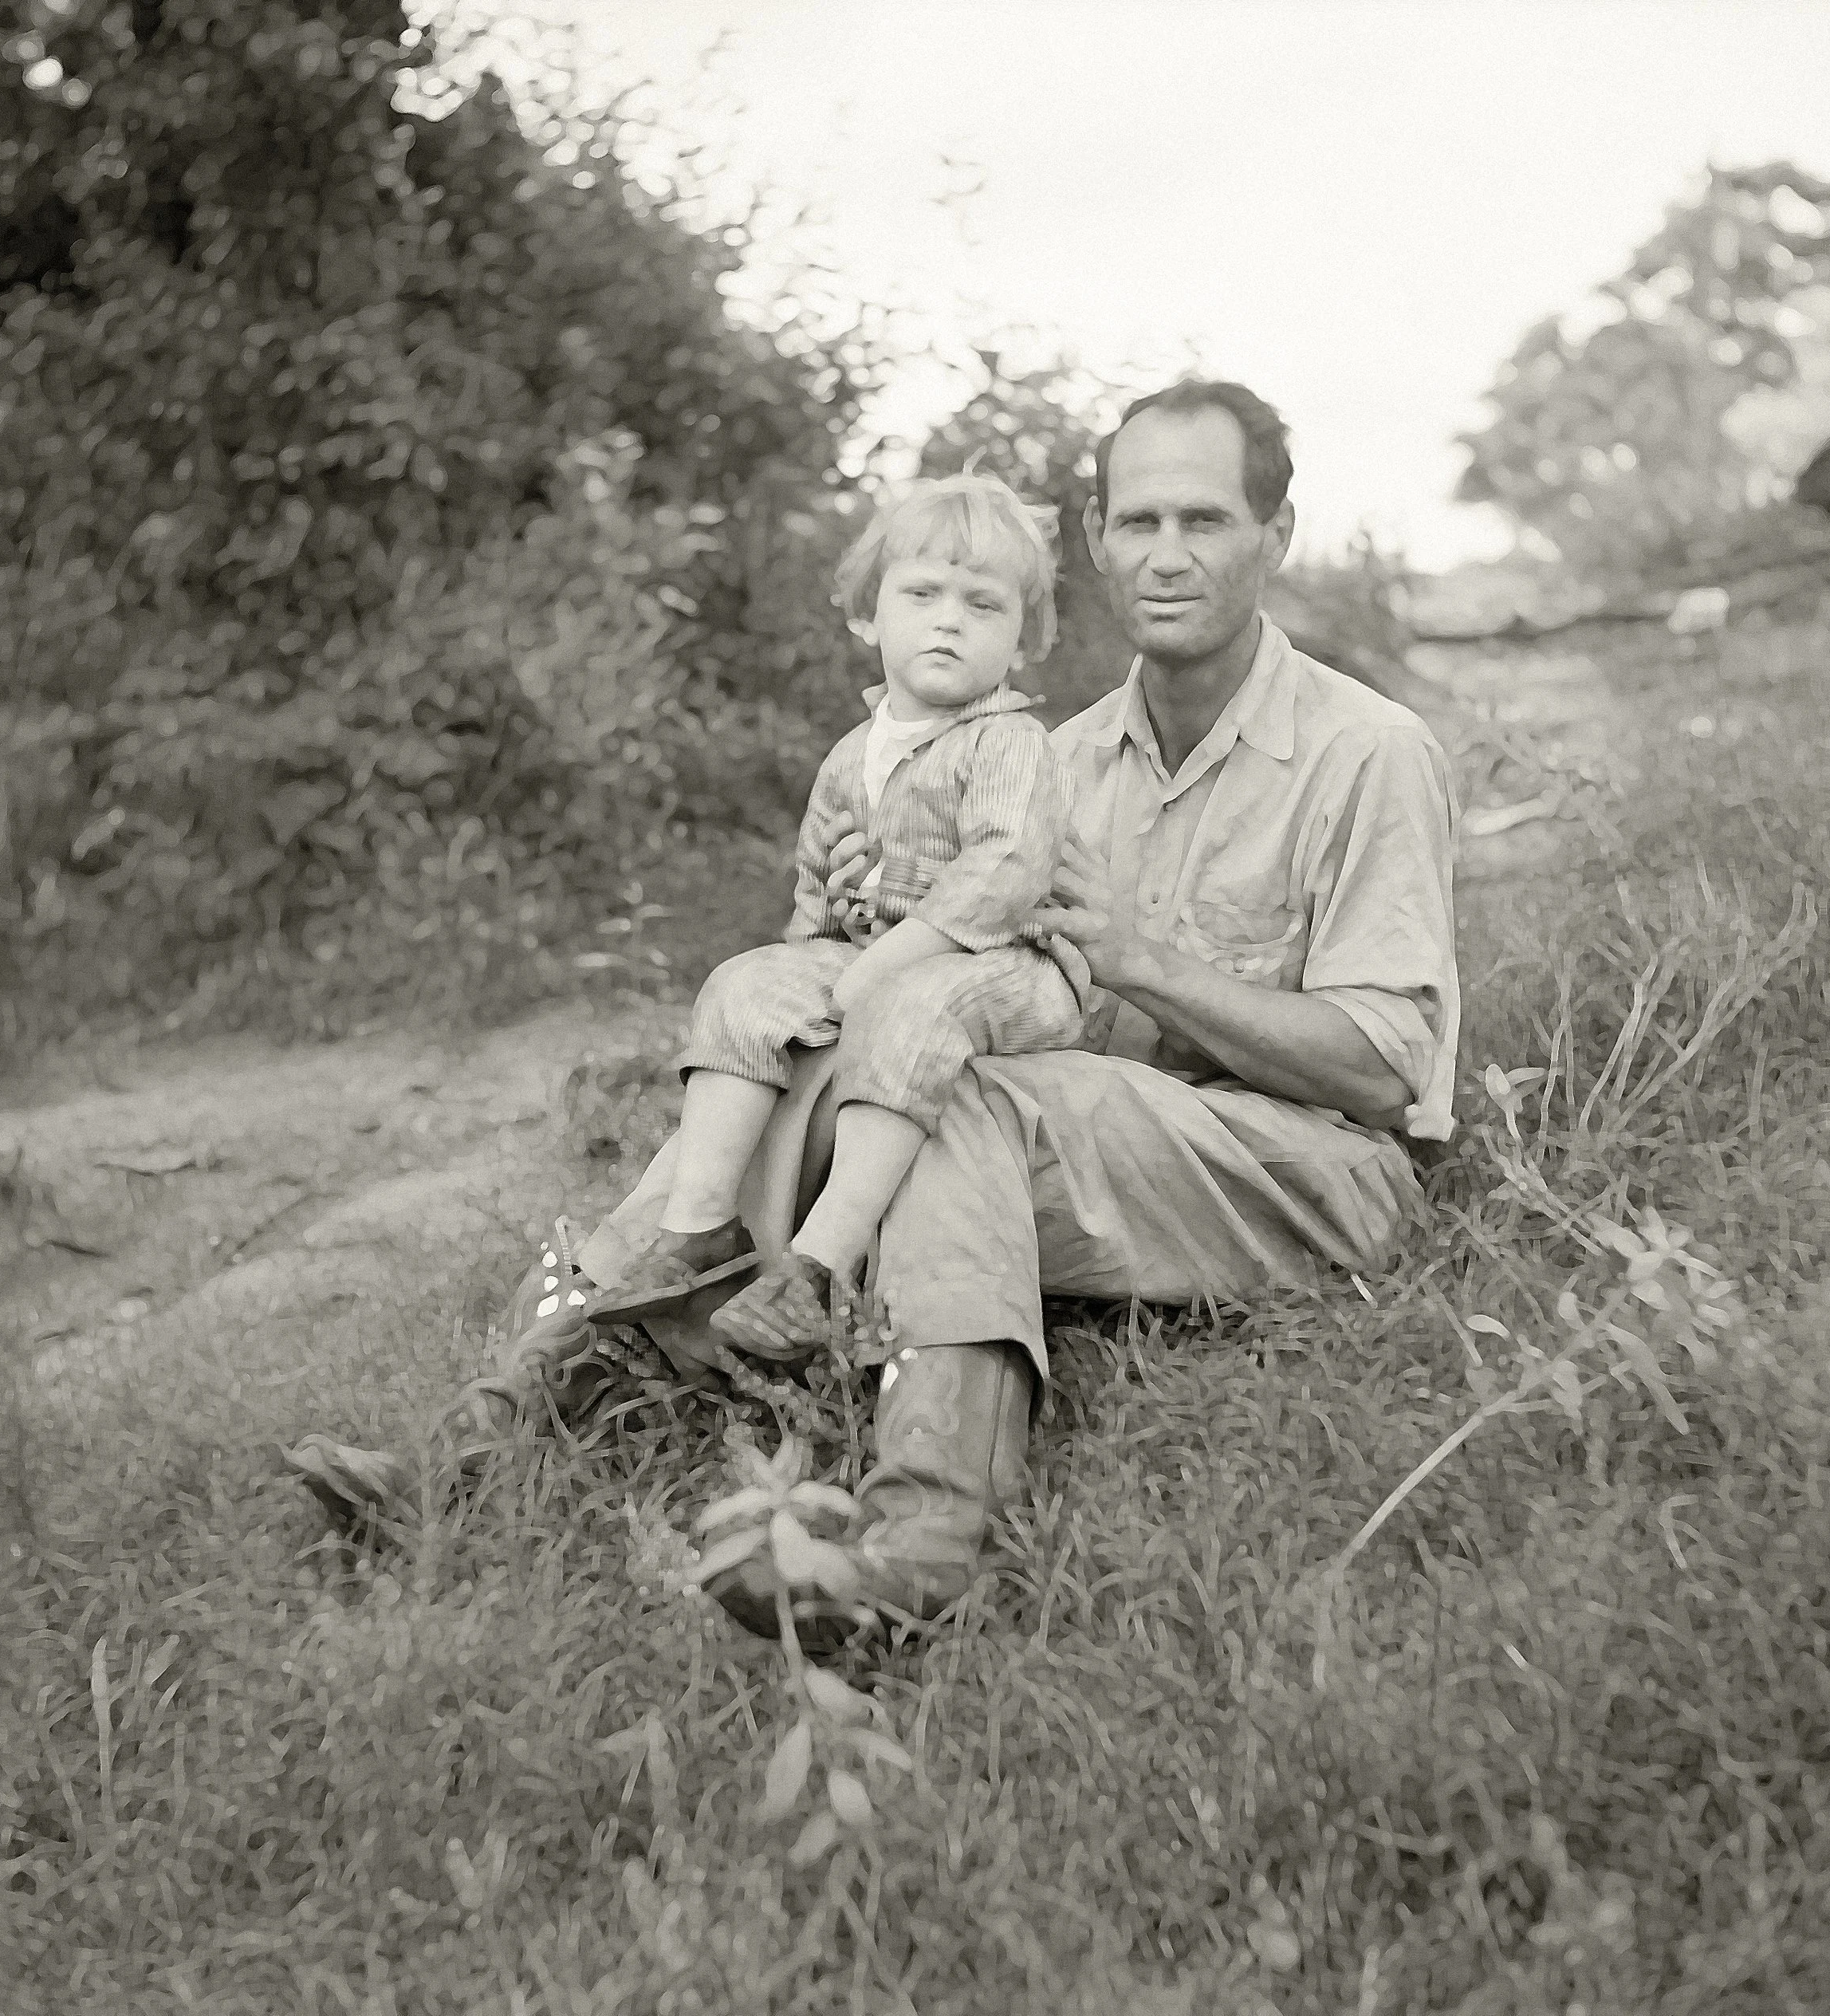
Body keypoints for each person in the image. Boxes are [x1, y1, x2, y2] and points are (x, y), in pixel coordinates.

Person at [286, 380, 1459, 1657]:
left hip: (1303, 1168)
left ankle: (923, 1544)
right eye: (1139, 522)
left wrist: (1143, 963)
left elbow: (1388, 1074)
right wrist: (861, 916)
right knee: (813, 1060)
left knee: (953, 1091)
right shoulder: (1043, 760)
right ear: (1094, 537)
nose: (1167, 555)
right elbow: (933, 979)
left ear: (1275, 536)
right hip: (1099, 1134)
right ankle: (487, 1440)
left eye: (1206, 520)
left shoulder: (1368, 751)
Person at [582, 471, 1088, 1368]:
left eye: (983, 604)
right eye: (922, 594)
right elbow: (815, 903)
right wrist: (822, 955)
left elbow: (1003, 873)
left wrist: (874, 969)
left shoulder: (1009, 742)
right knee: (746, 982)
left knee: (912, 1009)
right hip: (875, 957)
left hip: (1011, 968)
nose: (949, 621)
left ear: (1023, 639)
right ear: (868, 615)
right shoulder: (852, 757)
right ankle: (698, 1230)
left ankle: (815, 1268)